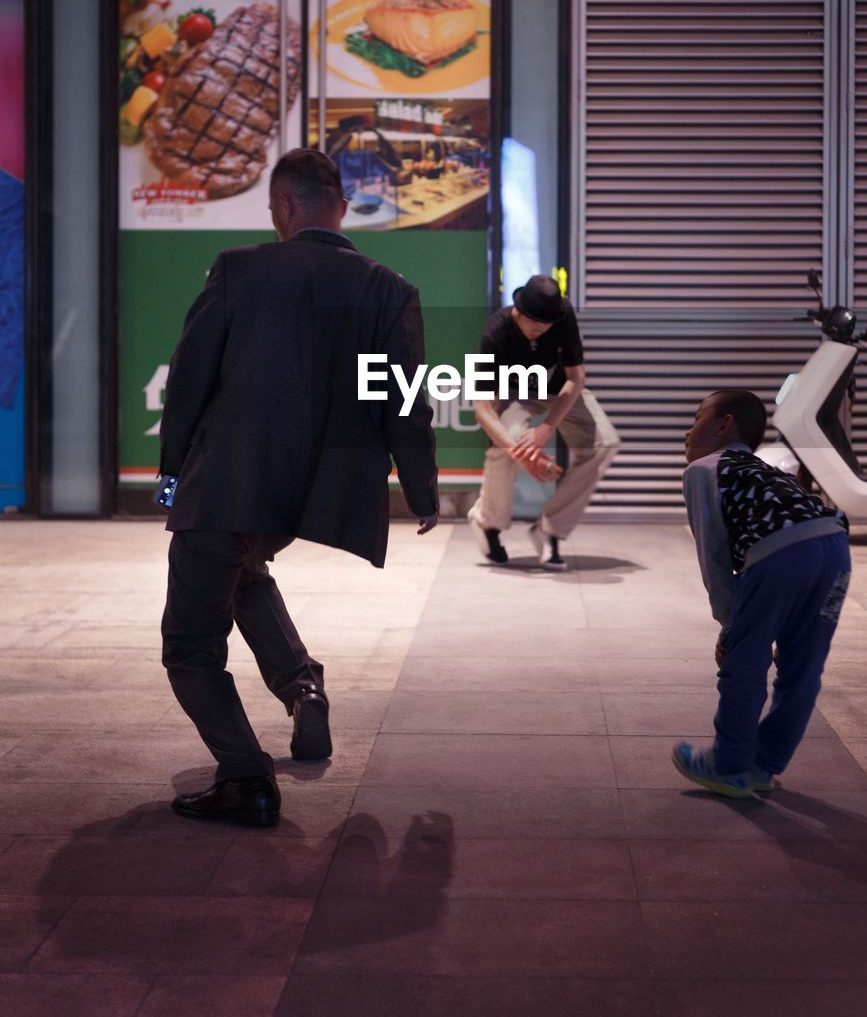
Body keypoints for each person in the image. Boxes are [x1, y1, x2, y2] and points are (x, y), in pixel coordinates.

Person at [158, 148, 438, 828]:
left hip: (225, 485)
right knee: (244, 571)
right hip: (302, 496)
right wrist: (424, 493)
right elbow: (405, 402)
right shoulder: (387, 287)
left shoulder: (238, 270)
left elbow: (190, 379)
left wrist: (171, 474)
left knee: (190, 648)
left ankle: (246, 779)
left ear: (283, 207)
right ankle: (301, 685)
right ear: (341, 207)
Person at [674, 389, 851, 799]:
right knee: (803, 667)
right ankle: (764, 764)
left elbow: (714, 556)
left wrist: (729, 625)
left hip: (777, 550)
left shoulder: (705, 468)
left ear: (723, 424)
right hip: (835, 548)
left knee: (745, 661)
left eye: (696, 417)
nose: (687, 432)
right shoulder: (766, 470)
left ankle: (730, 764)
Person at [467, 274, 620, 571]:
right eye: (533, 322)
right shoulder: (495, 333)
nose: (539, 328)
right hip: (516, 393)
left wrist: (546, 428)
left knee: (606, 442)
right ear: (518, 311)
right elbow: (483, 410)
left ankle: (549, 529)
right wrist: (524, 453)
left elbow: (577, 378)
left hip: (560, 391)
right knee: (507, 443)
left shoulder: (563, 315)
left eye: (546, 323)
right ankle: (488, 522)